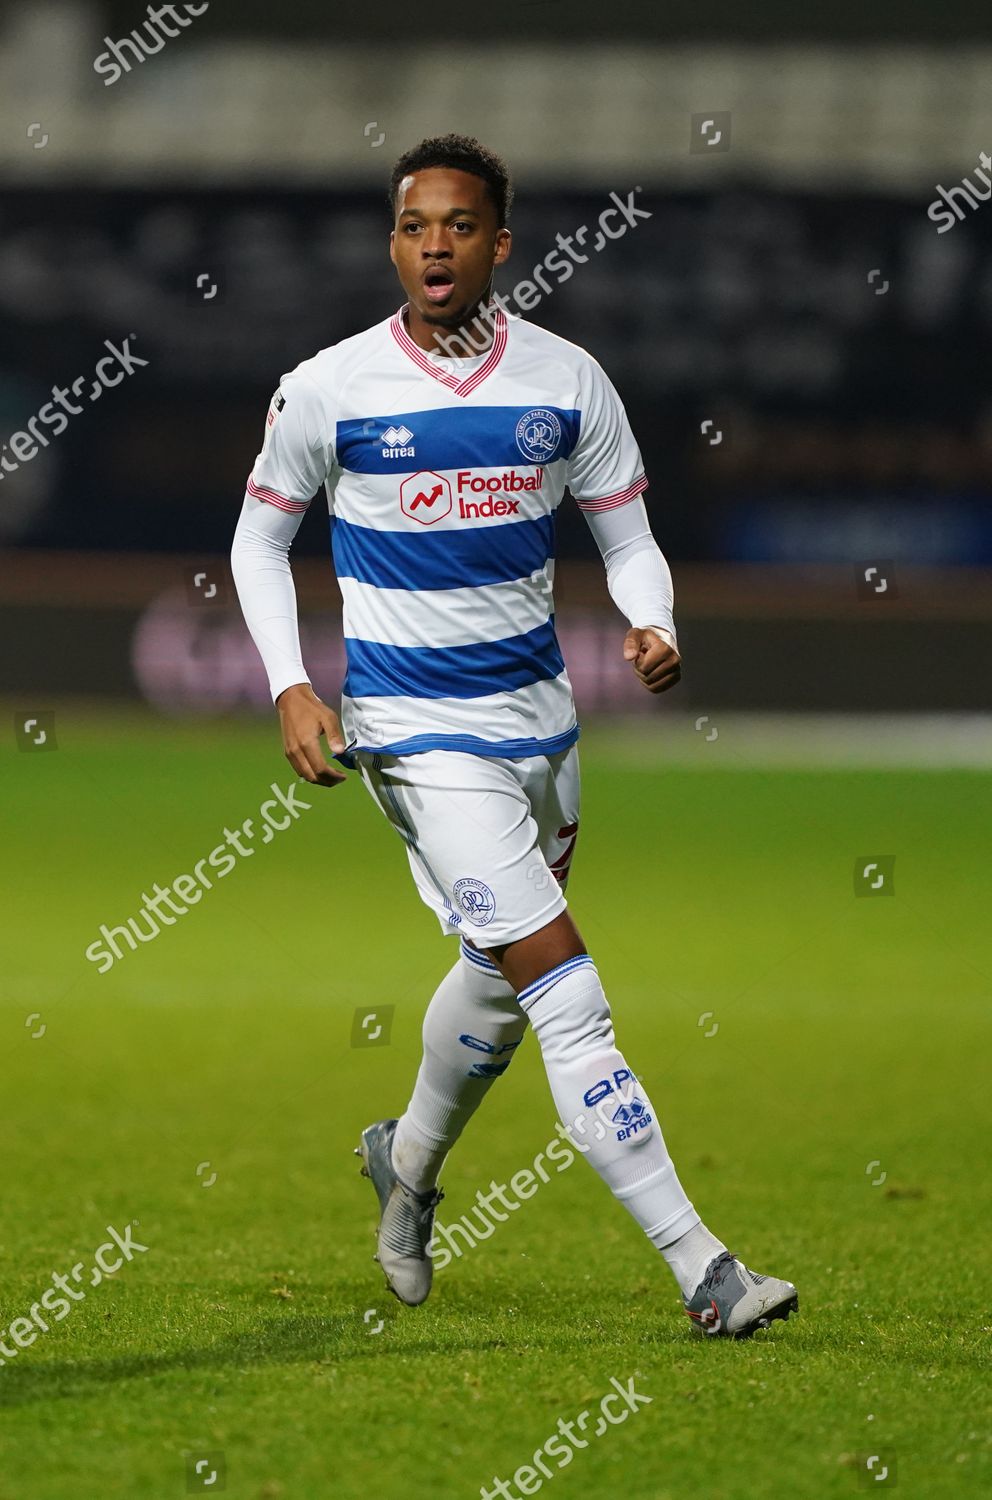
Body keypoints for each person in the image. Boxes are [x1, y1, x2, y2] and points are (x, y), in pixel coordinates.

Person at [231, 134, 798, 1338]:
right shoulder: (327, 387)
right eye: (411, 225)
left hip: (542, 729)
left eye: (457, 224)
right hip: (415, 739)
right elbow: (257, 542)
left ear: (499, 242)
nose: (432, 243)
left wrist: (650, 621)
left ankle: (407, 1165)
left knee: (494, 976)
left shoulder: (566, 380)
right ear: (393, 242)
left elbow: (628, 535)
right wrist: (288, 682)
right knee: (564, 988)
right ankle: (705, 1268)